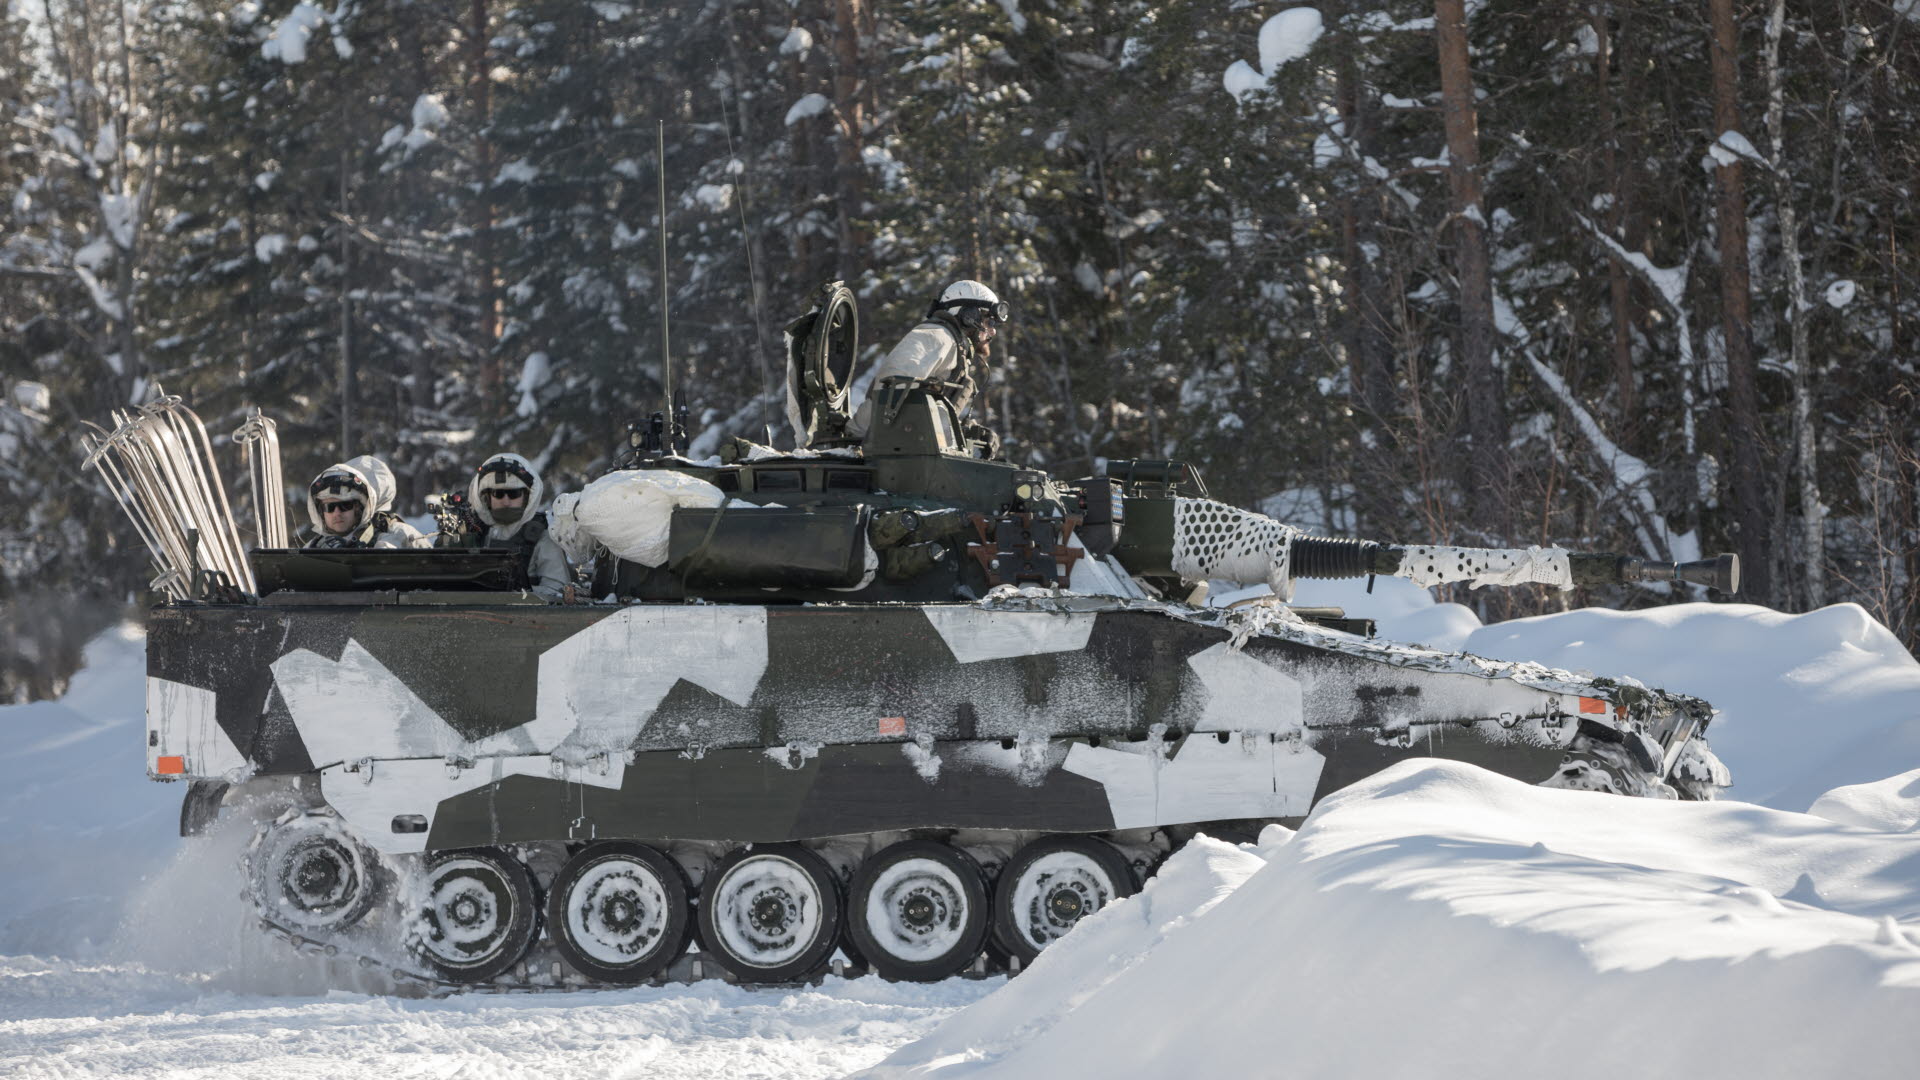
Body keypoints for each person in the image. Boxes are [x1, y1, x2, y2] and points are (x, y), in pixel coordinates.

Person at [848, 279, 1008, 449]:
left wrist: (967, 432)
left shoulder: (952, 345)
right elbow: (891, 391)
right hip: (870, 448)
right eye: (989, 322)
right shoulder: (937, 337)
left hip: (899, 449)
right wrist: (865, 444)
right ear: (969, 317)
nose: (993, 331)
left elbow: (923, 413)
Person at [442, 452, 572, 601]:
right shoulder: (471, 534)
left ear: (527, 496)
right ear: (487, 497)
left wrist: (515, 594)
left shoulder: (543, 538)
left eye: (514, 493)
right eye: (498, 493)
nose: (506, 501)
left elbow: (557, 593)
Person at [303, 455, 429, 549]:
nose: (337, 513)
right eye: (329, 507)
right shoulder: (313, 548)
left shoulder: (400, 535)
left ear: (359, 508)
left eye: (345, 505)